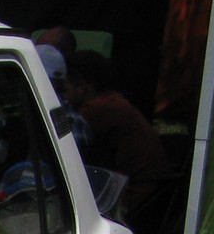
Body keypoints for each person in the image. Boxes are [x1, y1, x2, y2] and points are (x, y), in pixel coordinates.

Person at [67, 49, 171, 211]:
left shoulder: (96, 110)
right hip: (143, 190)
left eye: (64, 88)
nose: (62, 96)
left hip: (134, 196)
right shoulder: (111, 101)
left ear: (82, 85)